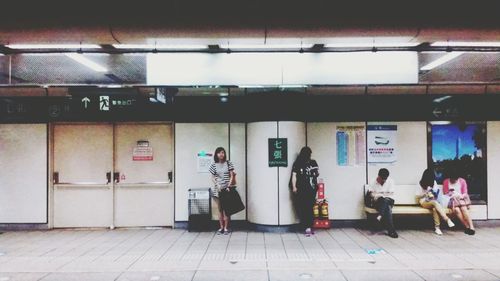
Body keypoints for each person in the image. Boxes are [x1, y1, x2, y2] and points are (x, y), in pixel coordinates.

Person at [416, 169, 455, 235]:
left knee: (434, 208)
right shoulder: (420, 183)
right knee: (435, 203)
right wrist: (425, 193)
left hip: (432, 200)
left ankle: (437, 228)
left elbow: (436, 192)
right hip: (424, 202)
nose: (432, 179)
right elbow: (417, 196)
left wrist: (433, 194)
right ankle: (447, 219)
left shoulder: (433, 182)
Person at [291, 146, 319, 237]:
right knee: (305, 208)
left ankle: (309, 226)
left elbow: (316, 174)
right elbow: (294, 175)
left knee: (309, 208)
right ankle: (307, 227)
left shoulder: (313, 162)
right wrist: (294, 186)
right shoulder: (298, 163)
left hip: (311, 189)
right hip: (303, 189)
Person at [209, 147, 235, 235]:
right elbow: (212, 177)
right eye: (219, 153)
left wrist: (229, 185)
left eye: (223, 152)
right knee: (220, 209)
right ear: (216, 154)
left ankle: (226, 228)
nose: (221, 154)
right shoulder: (213, 165)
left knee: (226, 209)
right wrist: (217, 184)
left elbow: (231, 175)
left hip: (227, 188)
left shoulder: (229, 163)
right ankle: (221, 227)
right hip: (218, 189)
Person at [443, 169, 475, 235]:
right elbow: (445, 193)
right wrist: (451, 194)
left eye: (455, 179)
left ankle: (472, 227)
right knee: (457, 210)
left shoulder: (462, 181)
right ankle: (466, 226)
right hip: (451, 200)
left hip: (461, 199)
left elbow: (465, 192)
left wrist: (460, 196)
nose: (453, 180)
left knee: (464, 209)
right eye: (452, 179)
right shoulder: (446, 181)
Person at [369, 168, 398, 238]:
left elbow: (390, 193)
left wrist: (378, 194)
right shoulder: (373, 181)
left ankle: (380, 216)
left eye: (385, 179)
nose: (384, 180)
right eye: (382, 179)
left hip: (389, 200)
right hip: (378, 202)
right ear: (378, 176)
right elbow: (371, 193)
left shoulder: (391, 181)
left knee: (385, 200)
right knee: (387, 207)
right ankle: (392, 231)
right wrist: (381, 194)